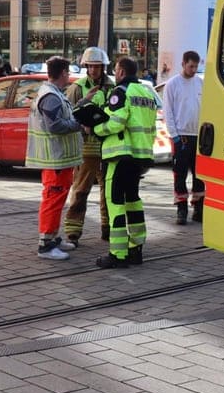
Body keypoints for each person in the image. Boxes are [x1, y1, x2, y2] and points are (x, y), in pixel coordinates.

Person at [93, 56, 157, 269]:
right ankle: (136, 249)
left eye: (116, 69)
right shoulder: (147, 93)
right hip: (140, 157)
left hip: (120, 156)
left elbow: (116, 122)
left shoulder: (120, 92)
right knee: (133, 202)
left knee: (116, 204)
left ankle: (118, 253)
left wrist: (95, 128)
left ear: (121, 71)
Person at [27, 56, 85, 260]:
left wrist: (85, 102)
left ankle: (52, 238)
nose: (69, 76)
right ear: (62, 73)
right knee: (52, 200)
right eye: (68, 73)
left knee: (56, 199)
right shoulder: (51, 96)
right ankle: (45, 245)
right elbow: (56, 126)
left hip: (59, 160)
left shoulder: (54, 94)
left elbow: (63, 117)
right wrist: (79, 126)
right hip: (55, 159)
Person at [64, 46, 113, 245]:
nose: (94, 70)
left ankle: (107, 228)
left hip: (108, 147)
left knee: (108, 192)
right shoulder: (77, 88)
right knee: (81, 191)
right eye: (90, 66)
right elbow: (68, 114)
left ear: (103, 67)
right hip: (86, 149)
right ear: (85, 67)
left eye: (97, 66)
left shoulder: (112, 87)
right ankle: (73, 232)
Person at [164, 50, 205, 225]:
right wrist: (175, 136)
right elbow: (168, 112)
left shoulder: (200, 83)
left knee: (199, 175)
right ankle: (181, 208)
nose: (194, 69)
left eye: (196, 66)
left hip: (198, 135)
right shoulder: (172, 84)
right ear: (183, 64)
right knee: (179, 175)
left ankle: (198, 207)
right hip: (182, 136)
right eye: (191, 66)